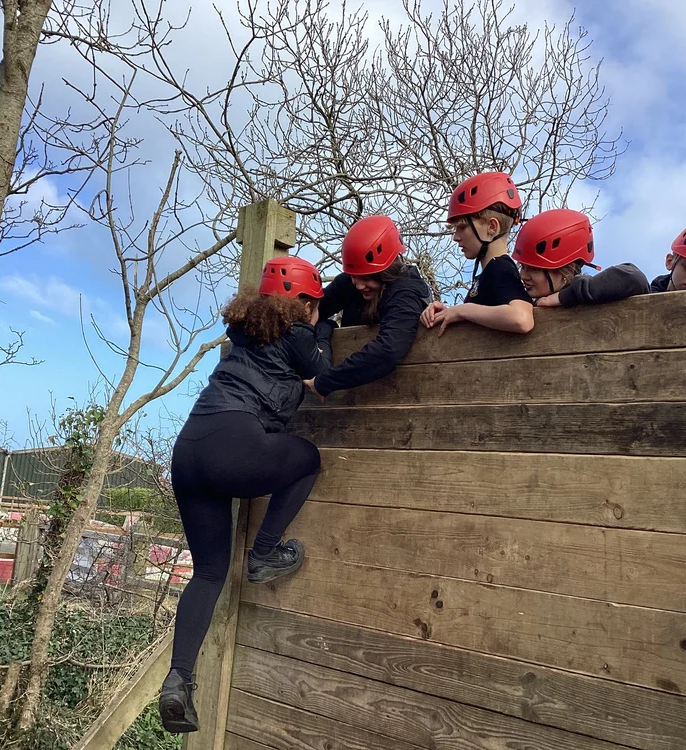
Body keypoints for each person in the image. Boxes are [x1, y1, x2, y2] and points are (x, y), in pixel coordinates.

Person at [158, 256, 332, 735]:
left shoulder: (244, 333)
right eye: (314, 304)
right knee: (308, 458)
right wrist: (324, 329)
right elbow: (324, 375)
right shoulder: (298, 334)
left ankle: (179, 679)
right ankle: (265, 552)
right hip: (232, 448)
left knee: (209, 572)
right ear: (303, 304)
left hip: (188, 452)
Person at [305, 215, 432, 398]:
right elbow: (314, 309)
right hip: (349, 397)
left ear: (387, 271)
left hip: (402, 393)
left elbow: (388, 349)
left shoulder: (406, 292)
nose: (358, 285)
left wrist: (324, 382)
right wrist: (311, 335)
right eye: (353, 276)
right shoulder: (349, 284)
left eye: (366, 277)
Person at [420, 172, 534, 336]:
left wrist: (462, 310)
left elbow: (522, 318)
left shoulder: (500, 267)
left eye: (462, 227)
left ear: (491, 227)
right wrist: (449, 312)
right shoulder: (488, 273)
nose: (455, 237)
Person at [512, 208, 650, 307]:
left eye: (535, 269)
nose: (523, 275)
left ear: (565, 271)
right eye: (523, 266)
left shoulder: (589, 295)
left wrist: (564, 297)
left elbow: (634, 278)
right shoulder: (526, 304)